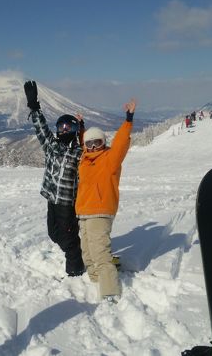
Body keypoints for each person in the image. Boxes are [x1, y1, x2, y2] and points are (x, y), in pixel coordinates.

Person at [76, 98, 137, 302]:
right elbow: (84, 141)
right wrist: (81, 128)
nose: (93, 146)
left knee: (100, 252)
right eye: (90, 144)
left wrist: (128, 119)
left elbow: (120, 144)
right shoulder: (84, 160)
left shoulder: (110, 159)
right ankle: (95, 279)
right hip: (83, 211)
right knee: (87, 251)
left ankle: (110, 291)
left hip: (100, 211)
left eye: (98, 142)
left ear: (104, 143)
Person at [24, 80, 85, 277]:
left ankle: (76, 270)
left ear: (74, 131)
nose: (64, 130)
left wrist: (83, 130)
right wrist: (34, 106)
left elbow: (91, 154)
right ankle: (79, 252)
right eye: (61, 127)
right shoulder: (51, 146)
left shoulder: (78, 153)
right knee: (54, 234)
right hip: (52, 198)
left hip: (68, 203)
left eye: (68, 127)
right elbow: (41, 128)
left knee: (68, 239)